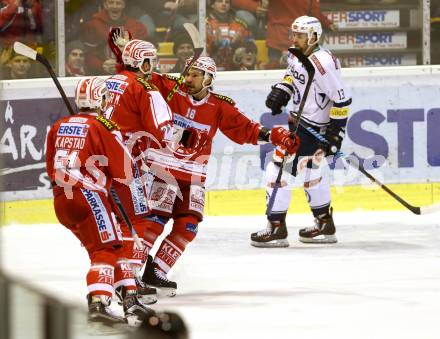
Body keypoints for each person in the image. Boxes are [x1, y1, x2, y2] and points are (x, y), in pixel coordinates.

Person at [129, 56, 300, 295]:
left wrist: (276, 136)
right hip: (161, 170)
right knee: (153, 223)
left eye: (195, 75)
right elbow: (138, 78)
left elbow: (246, 129)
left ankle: (156, 271)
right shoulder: (168, 89)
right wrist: (126, 54)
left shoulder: (219, 106)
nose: (188, 79)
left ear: (208, 79)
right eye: (187, 73)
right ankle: (129, 274)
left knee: (188, 226)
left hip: (194, 176)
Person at [46, 77, 154, 325]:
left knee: (112, 246)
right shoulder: (104, 125)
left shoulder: (59, 125)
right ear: (101, 99)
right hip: (88, 197)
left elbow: (51, 164)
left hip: (62, 200)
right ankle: (99, 303)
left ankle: (130, 299)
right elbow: (124, 170)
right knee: (105, 250)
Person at [250, 16, 352, 247]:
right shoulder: (296, 53)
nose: (295, 39)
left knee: (276, 171)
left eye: (300, 35)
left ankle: (276, 227)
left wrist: (336, 134)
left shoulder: (322, 62)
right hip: (298, 124)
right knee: (311, 174)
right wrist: (283, 91)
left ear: (314, 36)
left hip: (312, 129)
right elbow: (292, 76)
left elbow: (341, 99)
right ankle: (324, 224)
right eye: (293, 34)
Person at [104, 38, 175, 301]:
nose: (152, 65)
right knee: (140, 218)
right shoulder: (144, 88)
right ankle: (129, 280)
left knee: (115, 220)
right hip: (125, 164)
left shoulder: (112, 80)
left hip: (99, 160)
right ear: (141, 61)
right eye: (149, 60)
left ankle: (109, 275)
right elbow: (163, 132)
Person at [82, 0, 149, 75]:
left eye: (118, 3)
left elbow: (144, 51)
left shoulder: (135, 25)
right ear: (105, 5)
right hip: (101, 75)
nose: (114, 6)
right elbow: (87, 53)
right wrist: (101, 65)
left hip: (129, 73)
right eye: (111, 2)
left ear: (124, 5)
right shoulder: (94, 25)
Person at [265, 0, 336, 69]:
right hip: (299, 39)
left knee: (273, 71)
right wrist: (328, 23)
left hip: (276, 38)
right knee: (301, 73)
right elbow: (315, 15)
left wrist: (256, 7)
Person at [206, 0, 252, 71]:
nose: (224, 4)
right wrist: (214, 45)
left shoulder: (240, 25)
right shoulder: (203, 24)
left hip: (234, 70)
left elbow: (251, 48)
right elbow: (198, 51)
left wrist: (237, 46)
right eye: (220, 1)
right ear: (212, 4)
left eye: (227, 2)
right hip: (210, 70)